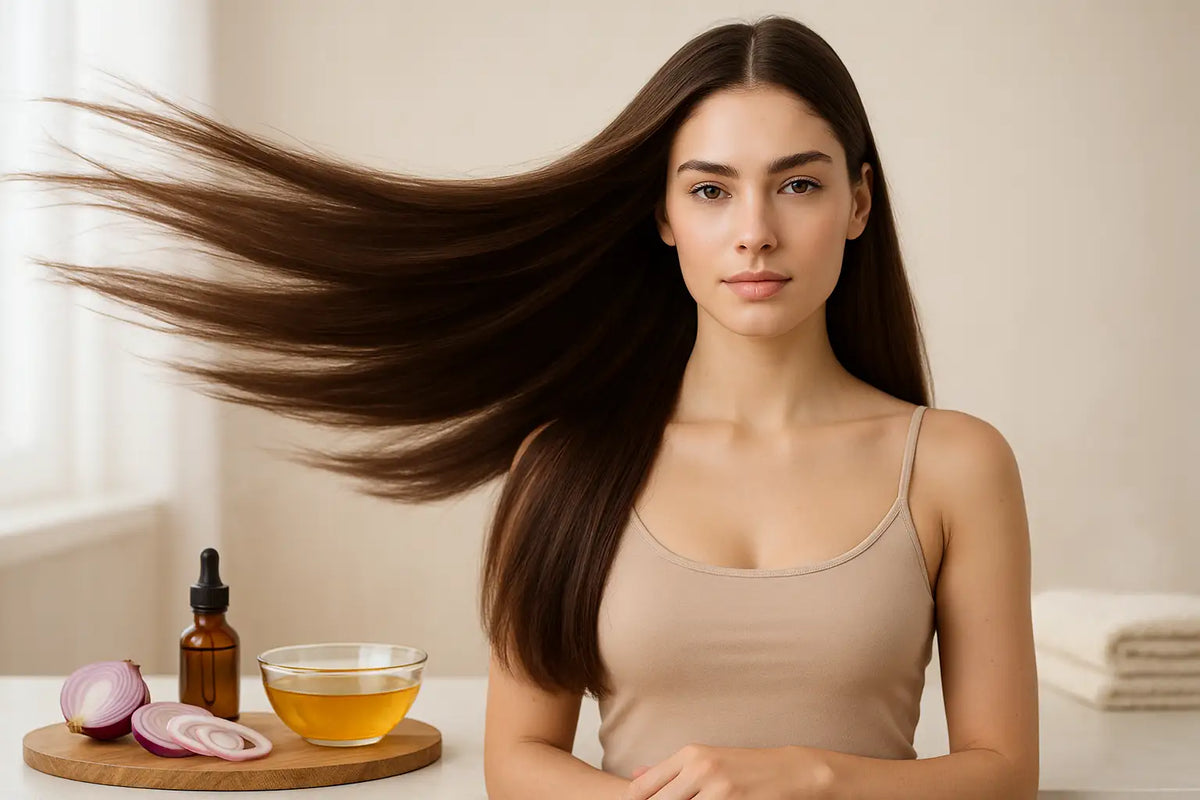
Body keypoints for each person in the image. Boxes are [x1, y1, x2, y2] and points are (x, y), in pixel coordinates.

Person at [7, 13, 1038, 799]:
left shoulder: (954, 464)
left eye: (798, 185)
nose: (755, 230)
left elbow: (1002, 771)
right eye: (711, 189)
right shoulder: (568, 460)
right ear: (664, 215)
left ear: (859, 202)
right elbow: (521, 758)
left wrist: (814, 777)